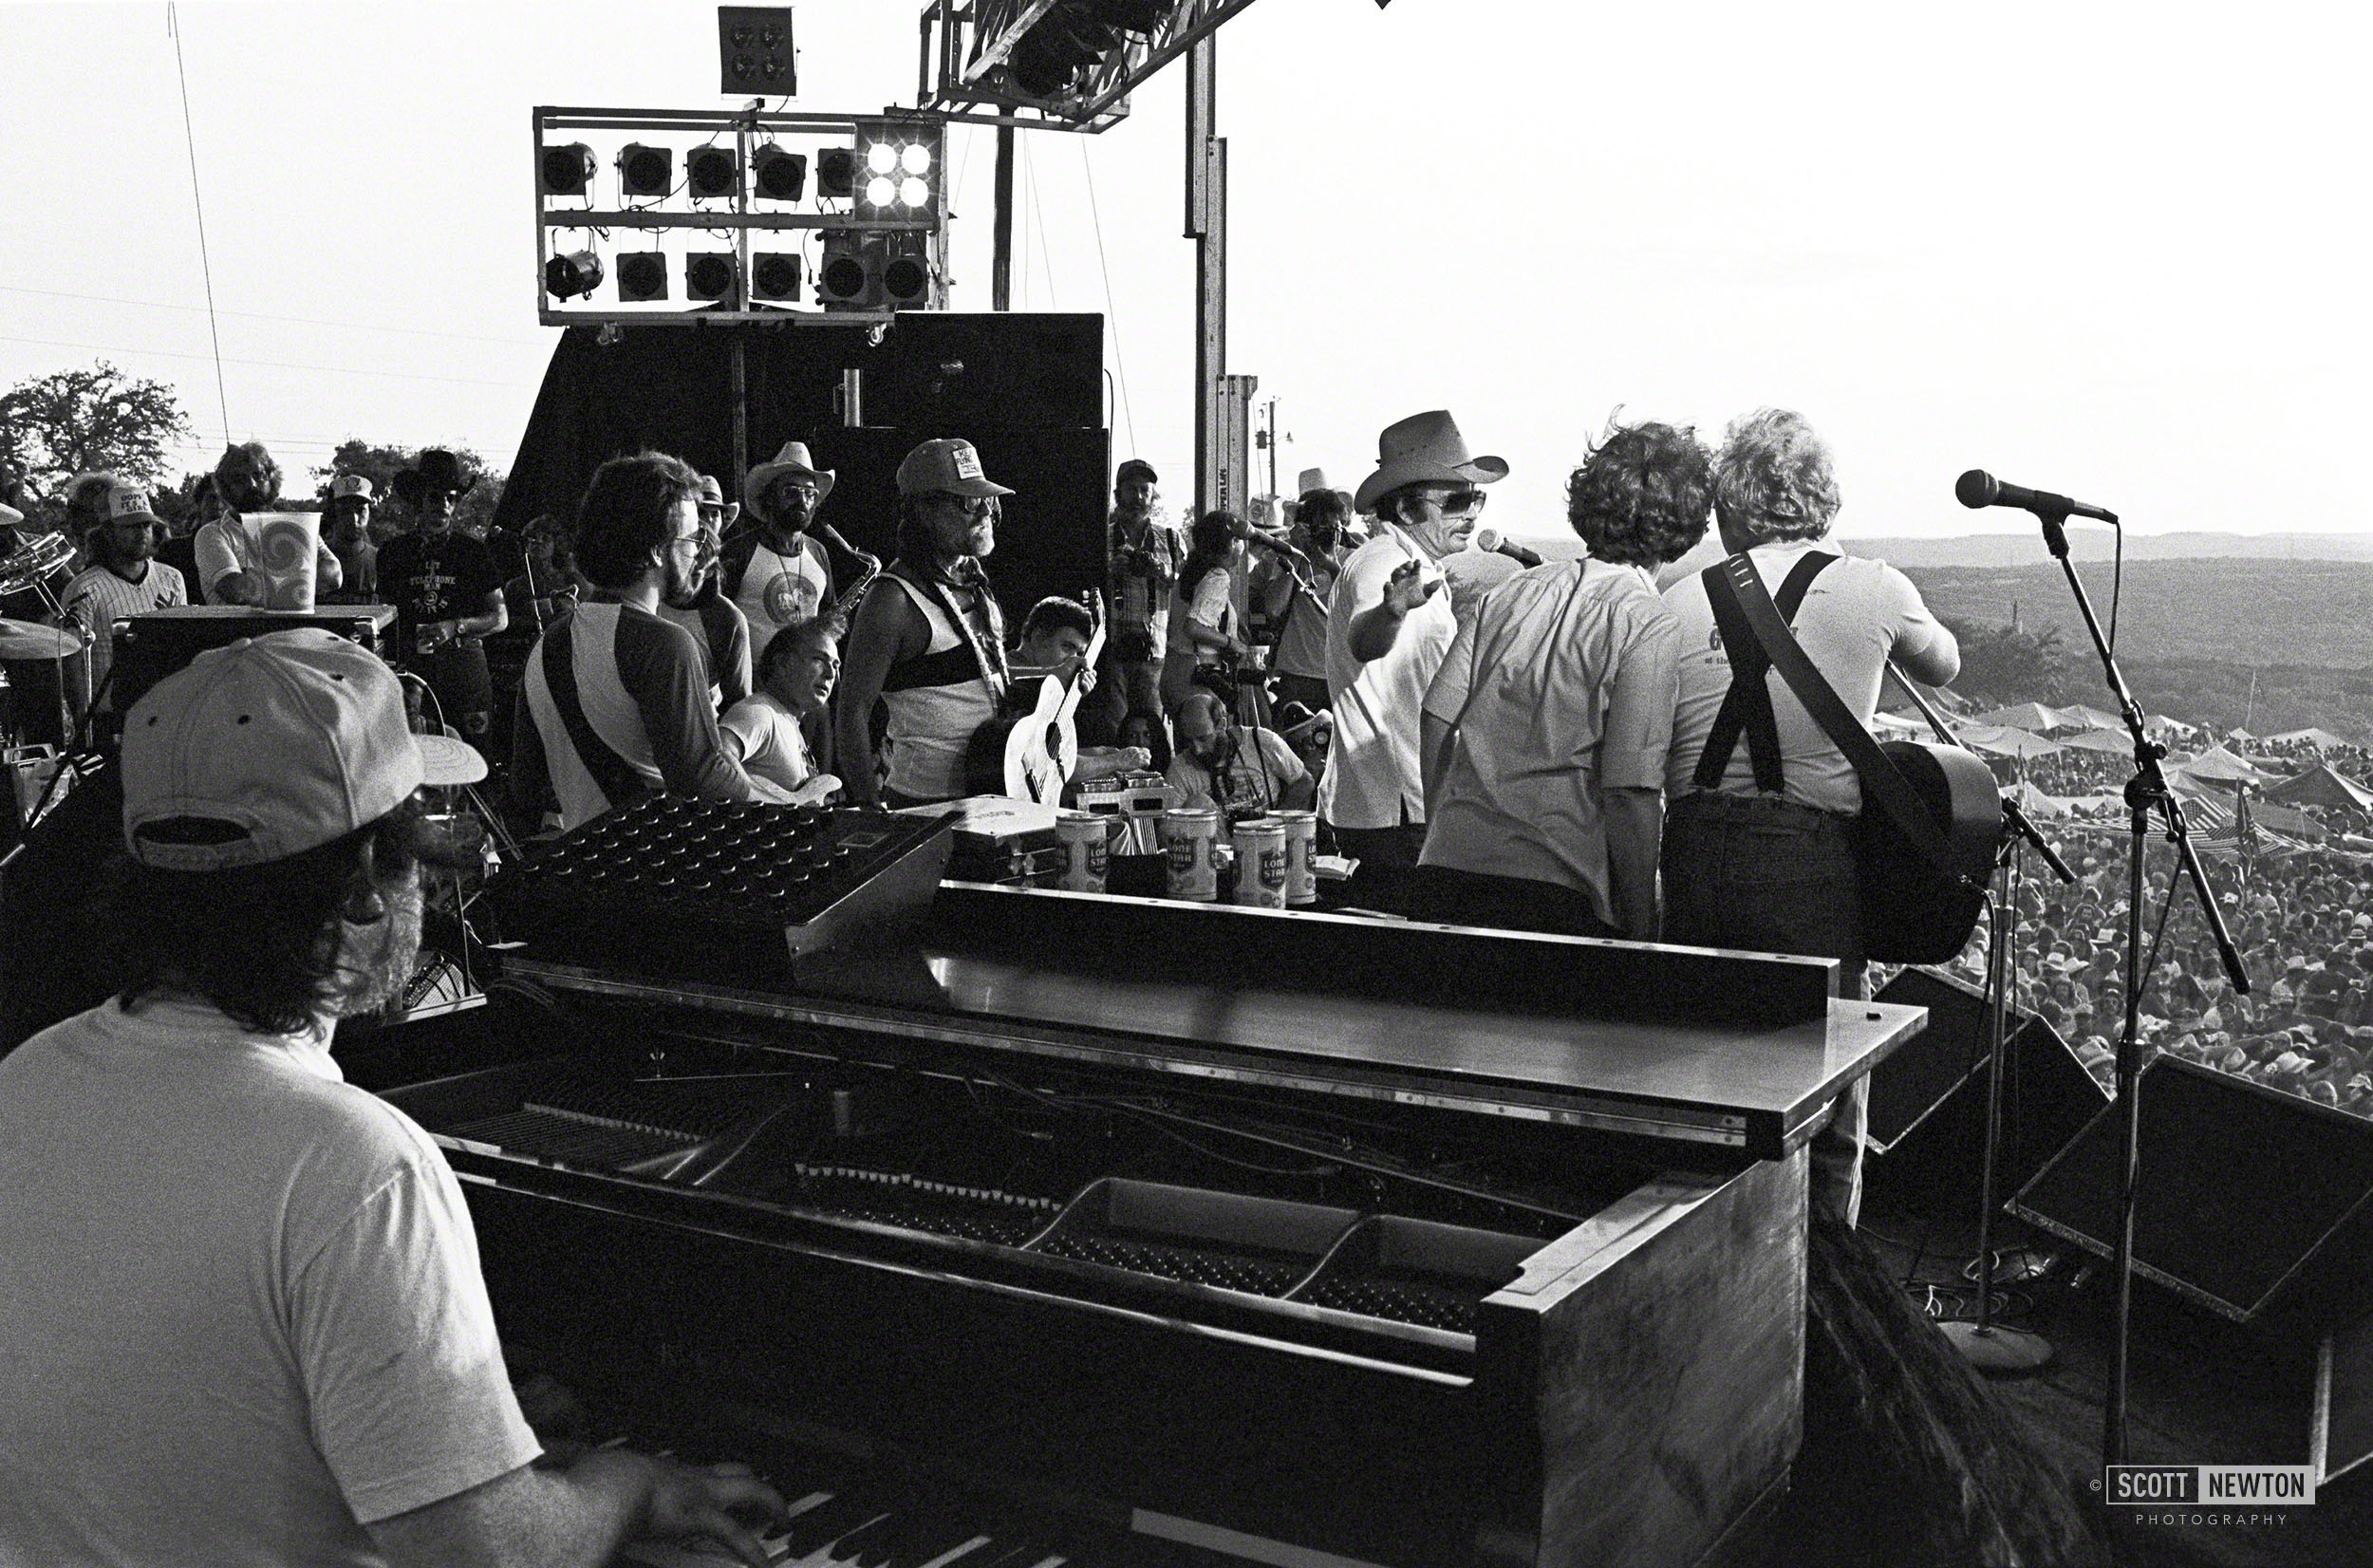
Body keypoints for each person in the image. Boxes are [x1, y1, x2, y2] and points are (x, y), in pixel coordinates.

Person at [0, 628, 786, 1567]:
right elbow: (488, 1554)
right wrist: (635, 1483)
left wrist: (443, 1432)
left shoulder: (26, 1079)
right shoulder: (356, 1166)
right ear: (368, 888)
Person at [1659, 408, 1962, 1224]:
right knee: (1825, 1097)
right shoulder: (1876, 586)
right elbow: (1944, 665)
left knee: (1704, 1081)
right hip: (1804, 856)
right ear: (1825, 499)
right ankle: (1827, 1290)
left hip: (1686, 847)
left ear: (1730, 508)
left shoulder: (1678, 598)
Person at [1413, 420, 1713, 941]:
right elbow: (1630, 792)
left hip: (1446, 874)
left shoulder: (1503, 597)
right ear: (1684, 527)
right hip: (1554, 892)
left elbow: (1437, 719)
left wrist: (1441, 829)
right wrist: (1641, 925)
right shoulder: (1647, 622)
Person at [514, 450, 793, 830]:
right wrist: (785, 803)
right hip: (658, 866)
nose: (699, 551)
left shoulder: (545, 645)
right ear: (655, 550)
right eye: (692, 538)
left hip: (585, 863)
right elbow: (702, 779)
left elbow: (527, 787)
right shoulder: (665, 644)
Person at [1320, 409, 1505, 915]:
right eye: (1456, 500)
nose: (1471, 513)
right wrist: (1391, 609)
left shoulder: (1416, 568)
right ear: (1404, 509)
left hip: (1399, 807)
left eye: (1476, 498)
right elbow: (1366, 640)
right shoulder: (1383, 565)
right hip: (1394, 811)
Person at [835, 439, 1014, 809]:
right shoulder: (892, 600)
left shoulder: (971, 578)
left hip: (993, 795)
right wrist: (871, 807)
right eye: (968, 501)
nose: (983, 511)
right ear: (925, 511)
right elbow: (851, 713)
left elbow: (988, 679)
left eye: (987, 500)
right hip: (925, 808)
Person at [377, 449, 508, 745]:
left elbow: (500, 618)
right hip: (413, 676)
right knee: (416, 763)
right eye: (436, 497)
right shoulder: (392, 553)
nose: (444, 506)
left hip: (465, 673)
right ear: (419, 501)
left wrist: (455, 626)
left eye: (451, 498)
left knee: (475, 764)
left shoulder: (473, 552)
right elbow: (382, 617)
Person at [59, 479, 187, 702]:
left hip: (163, 708)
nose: (141, 533)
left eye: (146, 525)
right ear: (108, 532)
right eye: (130, 526)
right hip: (110, 716)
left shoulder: (172, 578)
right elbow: (74, 666)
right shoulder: (84, 589)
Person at [723, 440, 836, 666]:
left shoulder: (818, 552)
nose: (802, 501)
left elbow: (828, 622)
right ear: (769, 497)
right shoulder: (739, 552)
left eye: (809, 493)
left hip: (806, 688)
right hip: (752, 691)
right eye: (791, 492)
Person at [194, 441, 345, 607]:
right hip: (239, 631)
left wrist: (253, 576)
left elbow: (334, 575)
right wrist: (302, 573)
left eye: (259, 475)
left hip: (297, 629)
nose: (251, 484)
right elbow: (236, 591)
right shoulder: (213, 534)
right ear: (225, 488)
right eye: (239, 479)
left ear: (271, 478)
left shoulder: (297, 525)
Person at [658, 474, 755, 714]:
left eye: (715, 513)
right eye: (702, 512)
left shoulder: (727, 618)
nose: (708, 520)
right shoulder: (651, 594)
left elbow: (739, 702)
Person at [722, 612, 840, 801]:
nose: (830, 674)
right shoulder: (759, 713)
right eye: (819, 659)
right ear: (783, 663)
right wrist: (771, 803)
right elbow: (718, 759)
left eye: (835, 665)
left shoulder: (788, 722)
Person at [1258, 483, 1352, 716]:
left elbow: (1359, 604)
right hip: (1298, 673)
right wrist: (1298, 554)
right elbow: (1273, 608)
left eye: (1334, 528)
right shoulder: (1289, 557)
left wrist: (1333, 568)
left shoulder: (1352, 557)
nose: (1329, 535)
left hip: (1342, 674)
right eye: (1321, 528)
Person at [1167, 686, 1314, 821]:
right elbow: (1168, 827)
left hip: (1266, 835)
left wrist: (1275, 822)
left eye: (1203, 739)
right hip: (1217, 842)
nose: (1197, 749)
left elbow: (1305, 782)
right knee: (1199, 803)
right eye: (1189, 741)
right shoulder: (1180, 768)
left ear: (1221, 725)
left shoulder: (1262, 741)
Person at [1106, 458, 1180, 721]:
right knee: (1115, 721)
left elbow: (1180, 583)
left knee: (1151, 724)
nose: (1138, 497)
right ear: (1118, 494)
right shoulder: (1103, 536)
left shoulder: (1171, 538)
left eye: (1144, 490)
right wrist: (1110, 571)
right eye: (1131, 489)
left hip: (1154, 649)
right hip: (1111, 646)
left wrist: (1161, 571)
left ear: (1152, 496)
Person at [1160, 511, 1253, 712]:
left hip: (1174, 668)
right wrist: (1231, 643)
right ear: (1231, 543)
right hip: (1199, 672)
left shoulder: (1191, 573)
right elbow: (1193, 627)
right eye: (1238, 539)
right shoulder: (1218, 577)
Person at [318, 474, 379, 605]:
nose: (354, 519)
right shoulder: (316, 560)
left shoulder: (381, 561)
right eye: (345, 511)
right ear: (333, 514)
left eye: (361, 510)